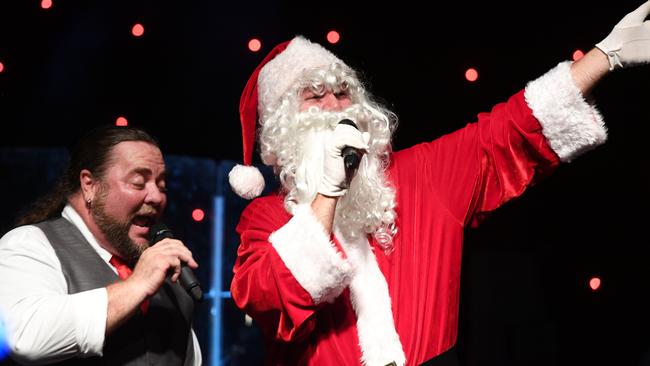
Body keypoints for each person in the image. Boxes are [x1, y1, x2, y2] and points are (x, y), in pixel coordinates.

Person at [226, 2, 650, 365]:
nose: (336, 108)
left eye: (343, 93)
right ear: (282, 129)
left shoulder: (419, 176)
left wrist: (604, 56)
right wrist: (328, 192)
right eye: (315, 96)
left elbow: (504, 133)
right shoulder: (264, 219)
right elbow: (269, 298)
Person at [0, 125, 202, 365]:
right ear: (89, 185)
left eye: (161, 185)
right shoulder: (31, 244)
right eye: (138, 182)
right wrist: (137, 284)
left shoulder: (169, 278)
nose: (157, 197)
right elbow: (25, 337)